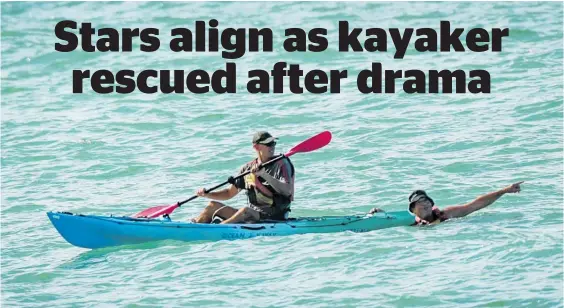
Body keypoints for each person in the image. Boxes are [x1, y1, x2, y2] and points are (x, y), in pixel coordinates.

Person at [192, 131, 295, 224]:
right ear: (256, 147)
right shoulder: (248, 168)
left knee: (245, 210)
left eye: (273, 143)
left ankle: (218, 229)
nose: (272, 147)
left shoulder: (282, 163)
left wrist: (263, 174)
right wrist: (207, 194)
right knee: (212, 206)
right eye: (268, 144)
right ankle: (194, 227)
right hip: (253, 215)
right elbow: (229, 193)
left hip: (275, 216)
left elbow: (287, 191)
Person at [369, 181, 524, 225]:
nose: (425, 204)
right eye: (420, 202)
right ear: (413, 209)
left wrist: (504, 191)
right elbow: (389, 221)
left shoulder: (446, 215)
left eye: (427, 201)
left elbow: (475, 205)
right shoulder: (408, 221)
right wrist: (378, 215)